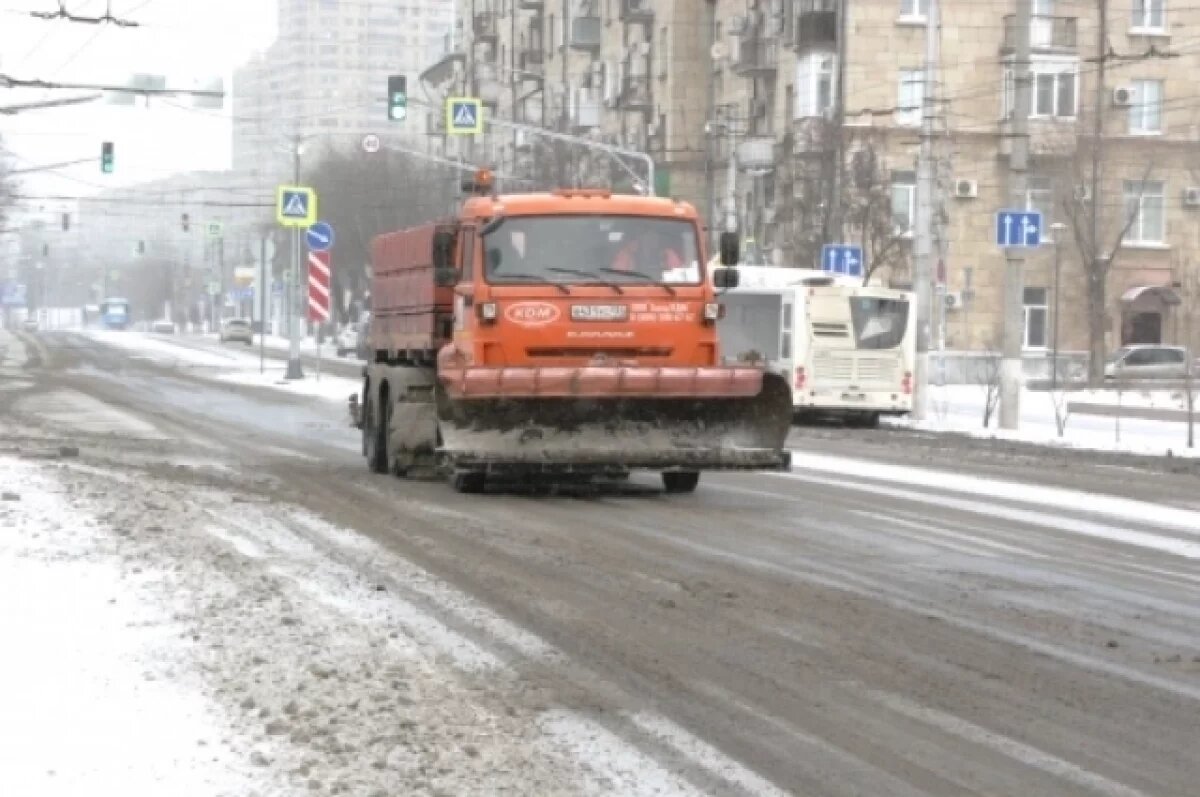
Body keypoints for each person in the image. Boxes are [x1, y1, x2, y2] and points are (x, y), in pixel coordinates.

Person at [610, 225, 684, 274]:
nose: (653, 239)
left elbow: (676, 273)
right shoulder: (624, 256)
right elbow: (619, 277)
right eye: (648, 237)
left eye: (654, 237)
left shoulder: (668, 254)